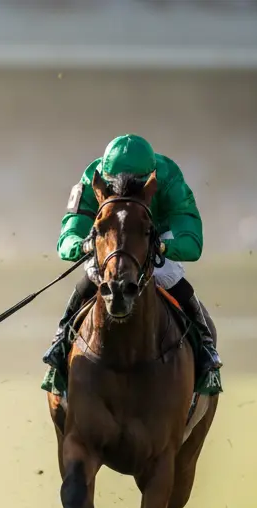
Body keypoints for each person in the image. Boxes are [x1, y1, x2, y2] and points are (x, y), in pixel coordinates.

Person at [42, 134, 222, 396]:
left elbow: (192, 241)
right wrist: (84, 246)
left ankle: (206, 349)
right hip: (111, 240)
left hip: (154, 236)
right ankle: (60, 345)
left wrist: (162, 247)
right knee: (93, 275)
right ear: (105, 180)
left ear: (151, 179)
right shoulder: (92, 178)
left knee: (168, 274)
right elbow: (67, 237)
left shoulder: (169, 177)